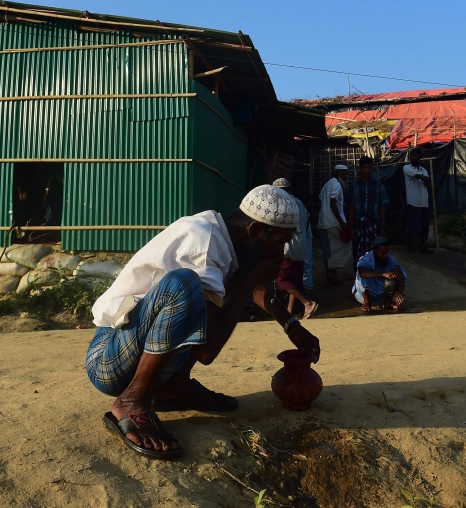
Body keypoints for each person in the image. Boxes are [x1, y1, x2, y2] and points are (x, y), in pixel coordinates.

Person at [86, 185, 321, 459]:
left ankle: (175, 387)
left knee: (205, 292)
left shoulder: (225, 240)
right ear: (255, 231)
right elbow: (207, 351)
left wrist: (292, 325)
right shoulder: (203, 242)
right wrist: (251, 276)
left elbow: (252, 285)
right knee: (184, 283)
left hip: (134, 355)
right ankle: (132, 401)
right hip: (108, 361)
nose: (282, 253)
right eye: (280, 241)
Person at [272, 178, 317, 319]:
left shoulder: (284, 205)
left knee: (281, 279)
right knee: (294, 281)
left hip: (289, 248)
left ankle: (307, 303)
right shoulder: (299, 203)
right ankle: (289, 311)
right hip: (301, 247)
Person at [347, 156, 390, 266]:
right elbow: (351, 207)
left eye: (369, 168)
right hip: (358, 225)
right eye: (365, 168)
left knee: (375, 252)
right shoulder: (354, 186)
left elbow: (382, 206)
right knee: (358, 253)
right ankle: (360, 279)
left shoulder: (378, 185)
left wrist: (382, 226)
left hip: (373, 225)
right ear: (360, 168)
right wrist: (351, 228)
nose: (367, 170)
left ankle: (373, 279)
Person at [354, 237, 407, 313]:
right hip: (363, 296)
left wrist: (400, 293)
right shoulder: (365, 260)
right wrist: (383, 274)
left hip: (381, 295)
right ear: (375, 251)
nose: (385, 255)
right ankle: (367, 303)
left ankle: (387, 302)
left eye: (387, 253)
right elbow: (363, 273)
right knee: (361, 276)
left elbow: (400, 274)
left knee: (400, 271)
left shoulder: (389, 259)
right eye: (382, 253)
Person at [318, 165, 351, 285]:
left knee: (329, 250)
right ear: (340, 173)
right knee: (344, 247)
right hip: (333, 223)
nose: (347, 177)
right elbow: (332, 203)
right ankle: (332, 273)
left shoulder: (327, 185)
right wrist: (342, 222)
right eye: (346, 174)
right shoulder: (336, 184)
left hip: (324, 222)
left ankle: (331, 274)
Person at [403, 148, 432, 253]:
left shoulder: (423, 170)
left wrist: (424, 178)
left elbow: (428, 181)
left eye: (417, 156)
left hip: (424, 201)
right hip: (413, 201)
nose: (415, 158)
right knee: (412, 224)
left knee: (424, 225)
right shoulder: (406, 168)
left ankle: (422, 247)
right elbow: (416, 176)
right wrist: (423, 178)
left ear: (420, 157)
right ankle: (411, 246)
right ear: (410, 157)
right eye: (413, 156)